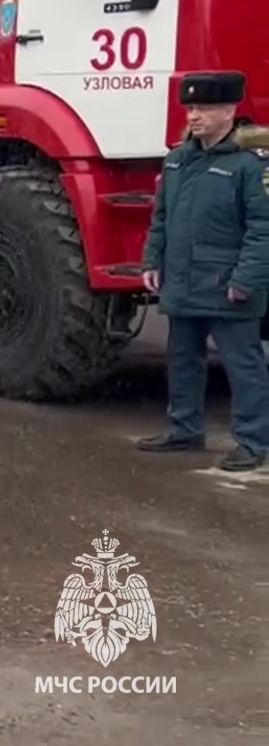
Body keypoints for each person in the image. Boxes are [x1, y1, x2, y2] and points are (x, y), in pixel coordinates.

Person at [138, 71, 269, 472]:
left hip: (226, 285)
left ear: (229, 111)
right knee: (181, 361)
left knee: (243, 367)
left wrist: (245, 280)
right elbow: (161, 217)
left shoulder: (249, 165)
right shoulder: (178, 159)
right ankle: (183, 429)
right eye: (190, 108)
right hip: (182, 281)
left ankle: (252, 442)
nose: (194, 116)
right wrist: (151, 260)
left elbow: (262, 229)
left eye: (204, 109)